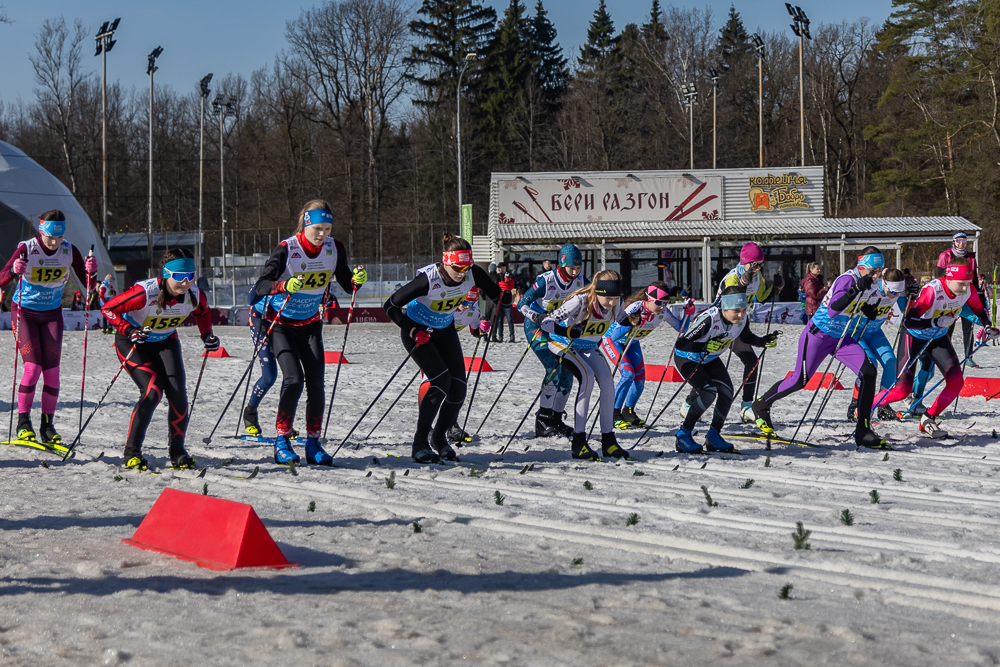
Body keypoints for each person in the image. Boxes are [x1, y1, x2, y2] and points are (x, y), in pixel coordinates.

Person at [249, 200, 365, 465]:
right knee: (293, 380)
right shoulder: (287, 249)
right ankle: (282, 440)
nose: (323, 234)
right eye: (318, 229)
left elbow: (346, 283)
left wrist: (356, 281)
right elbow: (261, 286)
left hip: (310, 324)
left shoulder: (335, 248)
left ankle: (313, 443)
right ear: (306, 223)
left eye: (327, 228)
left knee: (316, 384)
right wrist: (283, 284)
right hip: (279, 323)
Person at [752, 247, 889, 449]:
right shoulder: (848, 280)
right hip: (818, 335)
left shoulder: (869, 284)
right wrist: (855, 290)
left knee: (868, 371)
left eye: (880, 270)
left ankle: (863, 430)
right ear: (863, 266)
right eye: (874, 271)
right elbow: (833, 309)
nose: (877, 275)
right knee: (800, 380)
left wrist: (867, 310)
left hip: (841, 337)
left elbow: (857, 306)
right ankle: (761, 404)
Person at [384, 234, 502, 463]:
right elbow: (390, 305)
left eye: (466, 267)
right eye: (457, 267)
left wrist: (505, 290)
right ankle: (419, 444)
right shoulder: (428, 280)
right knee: (440, 382)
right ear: (446, 261)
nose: (462, 273)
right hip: (418, 332)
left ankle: (438, 438)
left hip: (444, 329)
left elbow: (499, 299)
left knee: (458, 389)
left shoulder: (472, 273)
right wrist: (411, 330)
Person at [101, 248, 217, 470]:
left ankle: (178, 452)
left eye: (190, 276)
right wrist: (128, 329)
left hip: (165, 340)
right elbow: (108, 308)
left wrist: (207, 335)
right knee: (152, 392)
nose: (185, 282)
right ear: (166, 275)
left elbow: (203, 312)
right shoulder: (144, 293)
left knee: (178, 394)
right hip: (135, 342)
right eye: (179, 277)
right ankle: (132, 452)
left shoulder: (195, 294)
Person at [0, 210, 98, 445]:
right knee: (33, 368)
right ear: (41, 232)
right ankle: (23, 423)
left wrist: (91, 271)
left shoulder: (69, 249)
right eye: (49, 237)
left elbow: (90, 286)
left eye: (58, 237)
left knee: (52, 373)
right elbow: (2, 277)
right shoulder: (27, 248)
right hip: (25, 313)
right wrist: (14, 271)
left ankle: (47, 426)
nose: (54, 243)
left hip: (52, 314)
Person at [876, 257, 997, 438]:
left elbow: (979, 310)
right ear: (948, 277)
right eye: (961, 284)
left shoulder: (968, 289)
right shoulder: (933, 290)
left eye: (967, 284)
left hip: (938, 337)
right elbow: (909, 320)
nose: (965, 289)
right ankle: (865, 405)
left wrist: (987, 326)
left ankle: (928, 419)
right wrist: (934, 321)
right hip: (914, 337)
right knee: (902, 391)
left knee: (956, 383)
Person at [673, 286, 778, 453]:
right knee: (708, 391)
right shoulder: (709, 319)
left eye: (744, 310)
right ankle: (683, 435)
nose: (741, 314)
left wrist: (763, 341)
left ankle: (714, 436)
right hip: (687, 358)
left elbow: (746, 337)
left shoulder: (741, 320)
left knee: (727, 391)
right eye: (736, 310)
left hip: (710, 358)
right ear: (724, 307)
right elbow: (681, 343)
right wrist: (704, 346)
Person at [539, 270, 631, 461]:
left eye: (615, 298)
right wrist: (567, 331)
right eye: (608, 299)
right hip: (561, 344)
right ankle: (579, 442)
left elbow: (622, 318)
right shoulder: (580, 301)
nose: (612, 303)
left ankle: (608, 441)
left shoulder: (617, 303)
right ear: (597, 292)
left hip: (588, 346)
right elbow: (546, 323)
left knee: (607, 381)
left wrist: (633, 320)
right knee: (587, 377)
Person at [685, 242, 781, 423]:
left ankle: (746, 406)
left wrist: (774, 289)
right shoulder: (732, 279)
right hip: (721, 326)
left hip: (740, 324)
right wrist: (742, 285)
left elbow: (760, 297)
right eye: (754, 264)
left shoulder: (757, 276)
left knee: (752, 361)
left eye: (761, 264)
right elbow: (728, 305)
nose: (758, 268)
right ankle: (689, 403)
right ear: (744, 262)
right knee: (708, 366)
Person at [518, 244, 586, 438]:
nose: (575, 273)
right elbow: (522, 304)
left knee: (567, 375)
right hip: (536, 327)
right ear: (562, 265)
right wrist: (536, 317)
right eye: (571, 269)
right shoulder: (546, 281)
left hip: (559, 330)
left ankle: (556, 420)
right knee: (553, 368)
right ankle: (543, 420)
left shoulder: (581, 281)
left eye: (578, 268)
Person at [600, 281, 687, 429]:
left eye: (666, 303)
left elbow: (681, 328)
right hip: (613, 341)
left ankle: (628, 412)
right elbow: (614, 335)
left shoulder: (664, 312)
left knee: (640, 379)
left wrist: (687, 314)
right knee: (627, 374)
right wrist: (633, 322)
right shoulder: (636, 308)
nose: (662, 307)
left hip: (632, 342)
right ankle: (613, 414)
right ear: (648, 298)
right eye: (658, 302)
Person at [845, 268, 908, 422]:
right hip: (856, 332)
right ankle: (855, 404)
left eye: (898, 292)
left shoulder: (896, 292)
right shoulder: (872, 289)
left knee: (891, 362)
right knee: (870, 364)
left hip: (874, 332)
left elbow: (906, 308)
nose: (895, 295)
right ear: (884, 285)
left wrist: (913, 294)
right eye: (893, 292)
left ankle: (883, 405)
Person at [937, 232, 980, 368]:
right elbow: (939, 277)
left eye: (964, 241)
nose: (961, 243)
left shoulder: (971, 257)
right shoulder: (946, 255)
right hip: (950, 296)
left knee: (968, 328)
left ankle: (968, 357)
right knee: (948, 327)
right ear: (954, 242)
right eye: (959, 241)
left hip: (966, 296)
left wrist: (978, 297)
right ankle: (946, 358)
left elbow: (974, 280)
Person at [492, 263, 515, 342]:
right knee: (499, 319)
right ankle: (500, 336)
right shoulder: (498, 276)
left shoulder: (510, 275)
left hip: (507, 299)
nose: (499, 269)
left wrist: (507, 283)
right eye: (498, 268)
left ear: (504, 267)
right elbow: (498, 285)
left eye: (500, 268)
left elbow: (511, 284)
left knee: (510, 319)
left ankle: (512, 336)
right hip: (500, 299)